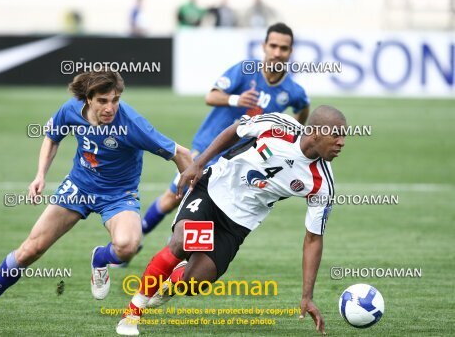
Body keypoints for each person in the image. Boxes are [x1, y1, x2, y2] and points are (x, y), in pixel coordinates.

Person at [0, 70, 192, 321]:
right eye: (103, 101)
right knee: (31, 249)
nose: (110, 107)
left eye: (115, 100)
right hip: (78, 188)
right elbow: (52, 137)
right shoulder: (71, 109)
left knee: (127, 247)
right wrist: (40, 175)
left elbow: (182, 154)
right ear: (88, 99)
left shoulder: (132, 124)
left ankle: (100, 259)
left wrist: (189, 198)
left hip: (119, 195)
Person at [116, 106, 346, 336]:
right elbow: (235, 131)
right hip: (212, 191)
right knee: (183, 240)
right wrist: (199, 163)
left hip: (238, 224)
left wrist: (307, 297)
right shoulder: (278, 125)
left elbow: (313, 239)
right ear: (315, 133)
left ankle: (172, 282)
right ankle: (132, 314)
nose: (342, 142)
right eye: (336, 135)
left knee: (194, 283)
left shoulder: (322, 183)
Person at [141, 22, 310, 238]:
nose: (277, 53)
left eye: (283, 48)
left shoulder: (293, 90)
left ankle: (178, 249)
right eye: (273, 46)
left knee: (210, 209)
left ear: (290, 51)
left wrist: (290, 134)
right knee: (172, 199)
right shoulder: (245, 70)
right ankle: (136, 240)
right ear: (264, 46)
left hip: (238, 159)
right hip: (207, 148)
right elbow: (211, 96)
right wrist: (236, 99)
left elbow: (303, 108)